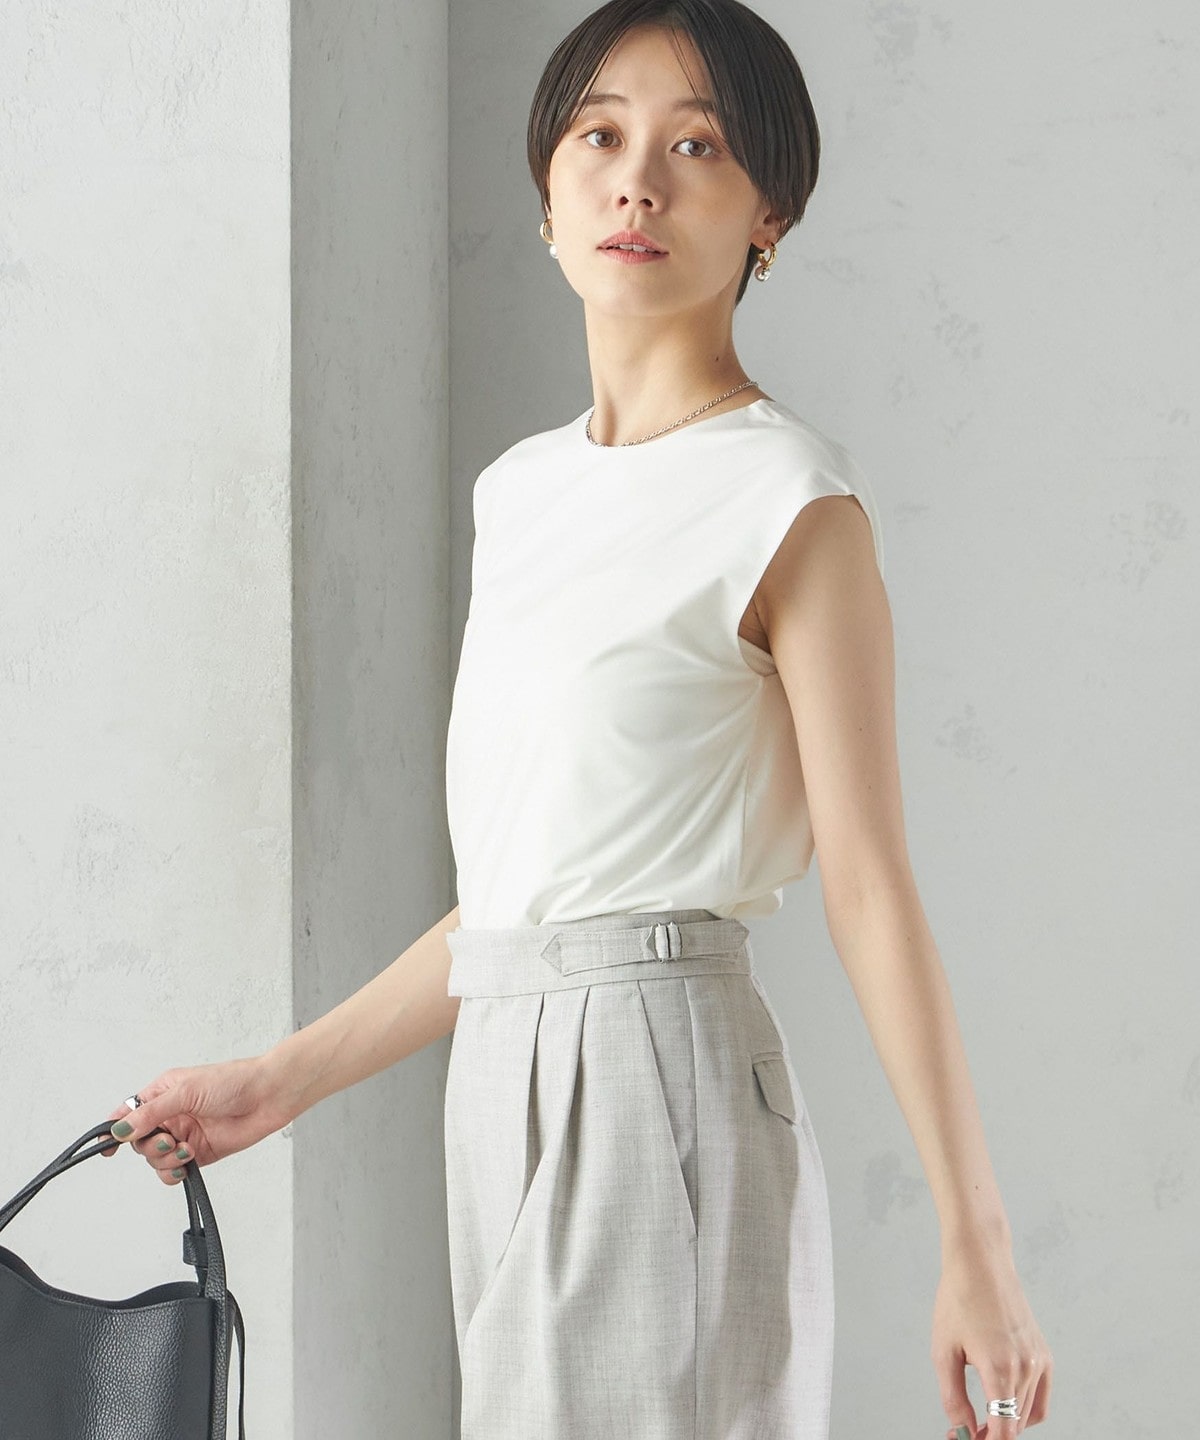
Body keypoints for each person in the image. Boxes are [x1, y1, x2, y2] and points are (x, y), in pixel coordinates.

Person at [104, 2, 1053, 1436]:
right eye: (599, 137)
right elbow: (520, 908)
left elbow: (869, 883)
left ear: (771, 216)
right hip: (502, 1084)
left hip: (661, 1073)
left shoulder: (792, 504)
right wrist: (275, 1085)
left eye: (698, 146)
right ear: (547, 195)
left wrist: (976, 1242)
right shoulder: (520, 496)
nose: (638, 183)